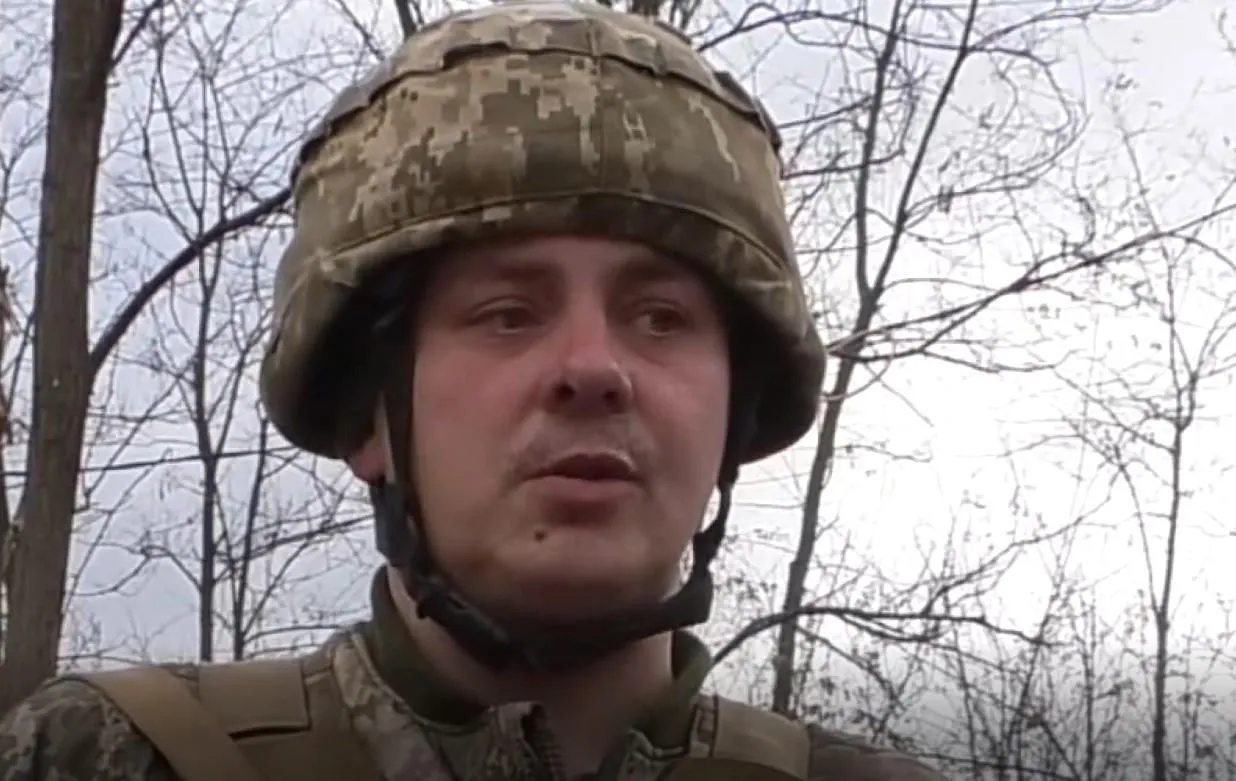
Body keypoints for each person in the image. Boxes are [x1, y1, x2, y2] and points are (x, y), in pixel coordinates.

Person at [0, 3, 949, 780]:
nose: (594, 368)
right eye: (507, 313)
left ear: (734, 413)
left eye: (661, 317)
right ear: (371, 417)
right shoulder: (109, 759)